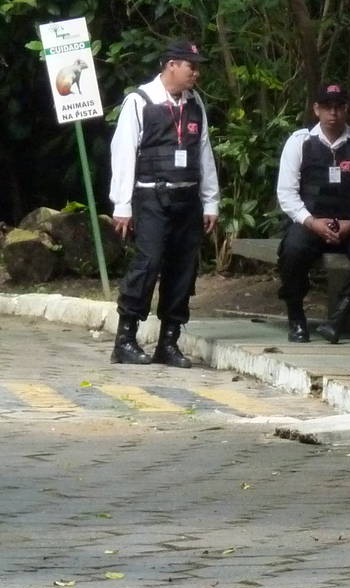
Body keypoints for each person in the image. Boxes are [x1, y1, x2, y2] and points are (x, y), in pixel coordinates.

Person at [107, 40, 220, 368]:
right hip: (151, 196)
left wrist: (210, 201)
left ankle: (169, 341)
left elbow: (204, 151)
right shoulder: (140, 101)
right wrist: (122, 206)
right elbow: (124, 152)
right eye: (191, 66)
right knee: (148, 263)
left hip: (187, 197)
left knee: (184, 268)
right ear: (171, 64)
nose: (196, 73)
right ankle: (125, 338)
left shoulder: (195, 102)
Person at [275, 83, 350, 344]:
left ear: (347, 109)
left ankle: (339, 315)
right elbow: (287, 194)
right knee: (292, 249)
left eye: (339, 107)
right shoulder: (299, 142)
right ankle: (296, 318)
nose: (333, 113)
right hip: (310, 222)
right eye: (327, 107)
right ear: (316, 109)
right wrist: (312, 222)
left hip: (349, 223)